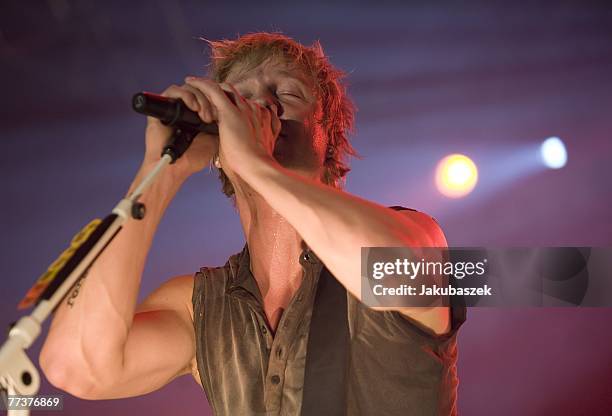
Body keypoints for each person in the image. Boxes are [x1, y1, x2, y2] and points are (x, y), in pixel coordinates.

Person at [39, 32, 465, 415]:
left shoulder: (414, 232)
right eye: (239, 99)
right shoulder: (201, 305)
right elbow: (75, 368)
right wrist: (159, 170)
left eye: (287, 93)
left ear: (328, 135)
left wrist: (258, 164)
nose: (262, 106)